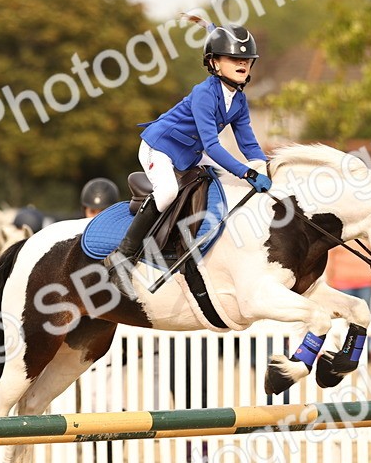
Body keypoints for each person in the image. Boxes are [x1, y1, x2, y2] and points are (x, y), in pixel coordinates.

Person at [102, 22, 271, 288]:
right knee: (168, 191)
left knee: (229, 180)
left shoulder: (238, 101)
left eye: (247, 59)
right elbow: (213, 146)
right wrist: (248, 172)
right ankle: (123, 256)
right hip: (161, 147)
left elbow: (249, 145)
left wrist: (264, 168)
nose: (243, 63)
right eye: (234, 58)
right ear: (213, 63)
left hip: (191, 152)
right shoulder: (204, 93)